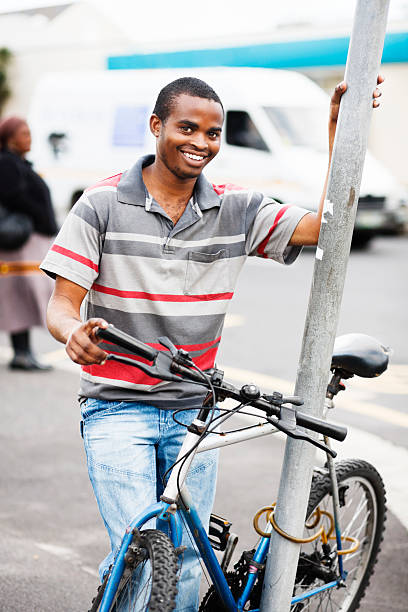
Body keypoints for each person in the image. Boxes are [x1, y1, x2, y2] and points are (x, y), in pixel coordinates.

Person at [40, 75, 383, 610]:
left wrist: (337, 132)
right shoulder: (100, 203)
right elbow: (63, 305)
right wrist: (72, 332)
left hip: (195, 416)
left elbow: (323, 229)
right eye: (187, 128)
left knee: (187, 562)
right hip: (115, 409)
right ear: (156, 127)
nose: (201, 141)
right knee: (135, 552)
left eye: (214, 132)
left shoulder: (237, 208)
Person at [0, 116, 58, 370]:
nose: (29, 137)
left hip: (28, 240)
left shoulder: (20, 163)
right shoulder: (6, 163)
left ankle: (24, 352)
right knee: (19, 295)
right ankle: (21, 353)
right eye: (23, 133)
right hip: (19, 243)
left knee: (24, 295)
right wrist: (40, 216)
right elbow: (13, 197)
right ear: (9, 137)